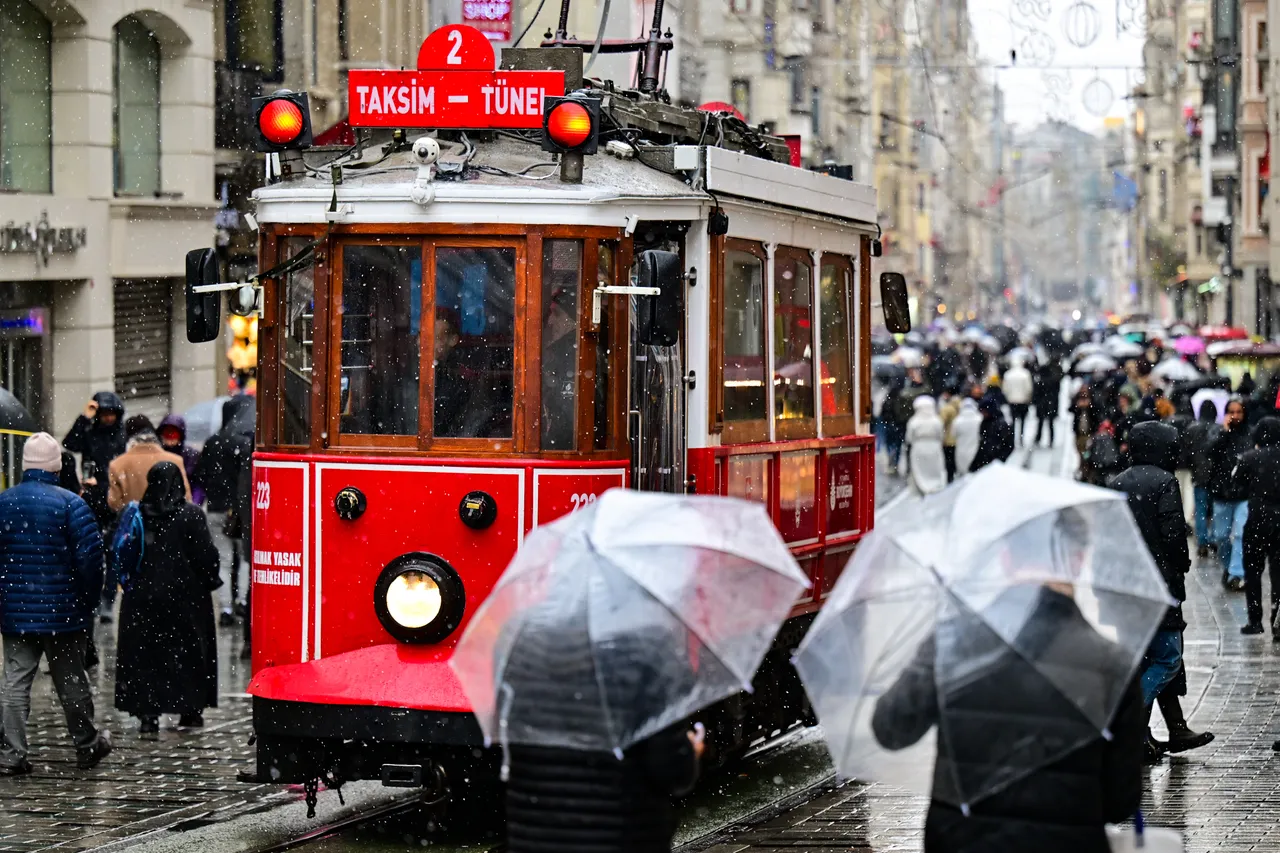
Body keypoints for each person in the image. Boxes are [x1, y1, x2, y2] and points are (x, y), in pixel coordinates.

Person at [871, 513, 1145, 853]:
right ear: (1078, 560)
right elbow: (1120, 801)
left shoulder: (955, 641)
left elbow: (891, 727)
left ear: (1004, 558)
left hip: (961, 842)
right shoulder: (1112, 666)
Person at [0, 434, 112, 774]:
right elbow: (91, 563)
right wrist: (87, 603)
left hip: (16, 612)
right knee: (71, 681)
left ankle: (11, 754)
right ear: (56, 466)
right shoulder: (71, 505)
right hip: (63, 613)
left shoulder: (4, 502)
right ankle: (87, 744)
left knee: (15, 682)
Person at [1107, 421, 1212, 761]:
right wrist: (1181, 564)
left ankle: (1166, 731)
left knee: (1141, 657)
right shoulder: (1165, 482)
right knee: (1168, 658)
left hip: (1127, 585)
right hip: (1159, 585)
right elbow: (1173, 535)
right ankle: (1130, 718)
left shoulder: (1117, 482)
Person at [114, 463, 222, 734]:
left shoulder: (138, 513)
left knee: (146, 656)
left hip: (142, 598)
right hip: (186, 599)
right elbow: (206, 556)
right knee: (188, 655)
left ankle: (148, 713)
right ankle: (189, 708)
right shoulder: (191, 515)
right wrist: (209, 579)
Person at [62, 392, 126, 619]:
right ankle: (95, 597)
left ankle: (108, 598)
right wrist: (84, 417)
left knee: (113, 552)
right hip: (92, 498)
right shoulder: (90, 431)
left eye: (111, 414)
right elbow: (69, 444)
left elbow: (124, 470)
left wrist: (105, 482)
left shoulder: (123, 434)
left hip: (116, 499)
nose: (108, 419)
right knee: (92, 551)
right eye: (104, 414)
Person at [195, 395, 255, 625]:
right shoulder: (244, 442)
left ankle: (226, 609)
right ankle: (241, 601)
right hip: (239, 512)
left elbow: (201, 475)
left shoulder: (212, 442)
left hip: (216, 509)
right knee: (243, 559)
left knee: (223, 559)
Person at [1233, 416, 1280, 635]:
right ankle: (1277, 620)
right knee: (1278, 573)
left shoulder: (1250, 458)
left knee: (1253, 572)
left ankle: (1255, 620)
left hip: (1257, 520)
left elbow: (1236, 487)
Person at [1208, 398, 1251, 591]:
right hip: (1221, 494)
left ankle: (1236, 573)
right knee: (1221, 536)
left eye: (1239, 412)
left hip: (1243, 494)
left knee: (1241, 534)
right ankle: (1229, 568)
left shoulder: (1250, 435)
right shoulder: (1218, 433)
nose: (1235, 416)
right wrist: (1223, 433)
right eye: (1231, 412)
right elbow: (1210, 452)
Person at [107, 416, 191, 512]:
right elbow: (186, 498)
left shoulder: (117, 465)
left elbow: (114, 503)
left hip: (137, 524)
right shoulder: (175, 460)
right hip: (169, 523)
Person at [1184, 399, 1221, 556]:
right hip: (1216, 475)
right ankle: (1213, 537)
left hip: (1198, 474)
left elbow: (1186, 452)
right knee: (1215, 510)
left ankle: (1202, 541)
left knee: (1200, 508)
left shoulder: (1192, 429)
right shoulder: (1219, 429)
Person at [158, 415, 205, 506]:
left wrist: (194, 504)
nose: (170, 439)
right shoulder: (158, 455)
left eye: (173, 434)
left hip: (186, 505)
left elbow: (198, 485)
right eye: (167, 434)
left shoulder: (191, 455)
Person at [906, 396, 948, 495]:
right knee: (934, 467)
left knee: (920, 469)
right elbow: (941, 435)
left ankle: (922, 486)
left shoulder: (913, 421)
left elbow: (909, 437)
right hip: (934, 446)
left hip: (918, 447)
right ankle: (936, 485)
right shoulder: (937, 420)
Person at [969, 397, 1014, 472]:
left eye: (984, 411)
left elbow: (1009, 445)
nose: (982, 413)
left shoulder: (1001, 424)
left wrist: (999, 460)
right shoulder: (985, 422)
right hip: (986, 463)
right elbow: (982, 443)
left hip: (994, 464)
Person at [1071, 386, 1100, 481]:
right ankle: (1082, 470)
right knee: (1080, 453)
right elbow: (1070, 409)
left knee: (1087, 454)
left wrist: (1089, 406)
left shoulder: (1093, 403)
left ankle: (1086, 472)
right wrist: (1078, 406)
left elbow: (1096, 416)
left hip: (1089, 434)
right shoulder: (1077, 403)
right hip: (1079, 434)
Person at [1003, 358, 1034, 444]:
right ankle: (1021, 436)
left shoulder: (1007, 375)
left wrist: (1008, 398)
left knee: (1013, 420)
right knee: (1022, 420)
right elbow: (1029, 388)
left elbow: (1005, 389)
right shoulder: (1025, 374)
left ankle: (1012, 437)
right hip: (1023, 401)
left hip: (1012, 401)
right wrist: (1028, 398)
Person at [1033, 361, 1062, 448]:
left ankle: (1038, 439)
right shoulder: (1054, 381)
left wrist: (1036, 404)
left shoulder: (1039, 382)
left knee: (1040, 423)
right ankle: (1051, 439)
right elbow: (1057, 394)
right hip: (1051, 405)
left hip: (1042, 405)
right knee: (1050, 424)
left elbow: (1036, 395)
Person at [952, 398, 982, 477]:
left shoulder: (958, 420)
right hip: (976, 448)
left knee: (963, 471)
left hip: (961, 449)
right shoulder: (979, 418)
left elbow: (953, 434)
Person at [938, 389, 962, 483]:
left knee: (949, 463)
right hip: (959, 439)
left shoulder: (947, 408)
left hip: (948, 440)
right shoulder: (962, 406)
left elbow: (940, 423)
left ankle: (950, 480)